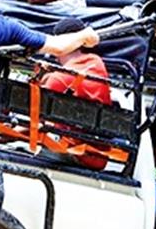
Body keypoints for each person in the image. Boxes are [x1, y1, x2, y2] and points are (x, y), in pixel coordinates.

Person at [40, 16, 112, 170]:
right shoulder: (97, 64)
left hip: (74, 154)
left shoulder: (57, 80)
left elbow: (33, 121)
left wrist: (0, 138)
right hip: (97, 158)